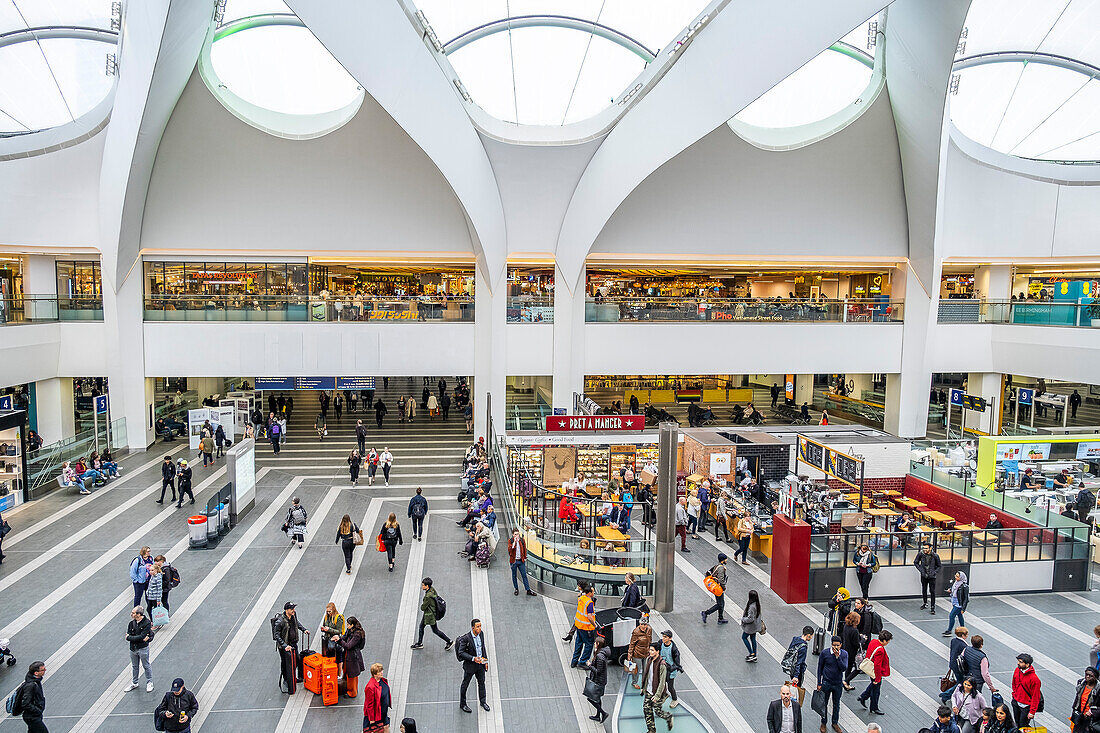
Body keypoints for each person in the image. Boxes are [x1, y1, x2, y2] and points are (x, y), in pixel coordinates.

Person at [456, 618, 491, 713]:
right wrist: (473, 658)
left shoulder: (481, 634)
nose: (479, 628)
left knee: (482, 683)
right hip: (470, 666)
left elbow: (483, 647)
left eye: (480, 626)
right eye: (477, 627)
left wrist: (485, 661)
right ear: (473, 628)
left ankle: (483, 701)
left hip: (480, 665)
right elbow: (461, 653)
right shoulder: (466, 638)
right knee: (465, 684)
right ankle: (463, 704)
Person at [639, 643, 674, 732]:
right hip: (649, 691)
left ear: (657, 651)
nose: (650, 652)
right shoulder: (649, 659)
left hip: (658, 692)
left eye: (652, 650)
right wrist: (643, 687)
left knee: (657, 712)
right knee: (646, 710)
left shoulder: (662, 664)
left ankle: (668, 716)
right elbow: (647, 675)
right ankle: (651, 730)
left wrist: (657, 696)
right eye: (650, 650)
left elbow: (662, 682)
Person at [411, 577, 453, 650]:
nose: (422, 586)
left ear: (427, 586)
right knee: (421, 627)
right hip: (430, 613)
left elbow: (423, 608)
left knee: (435, 630)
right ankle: (419, 643)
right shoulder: (432, 589)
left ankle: (449, 641)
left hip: (430, 615)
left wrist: (422, 606)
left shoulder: (427, 597)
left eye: (423, 585)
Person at [273, 602, 307, 693]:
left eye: (293, 609)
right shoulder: (280, 621)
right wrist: (284, 645)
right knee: (285, 663)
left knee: (297, 659)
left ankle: (292, 677)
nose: (293, 610)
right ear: (286, 610)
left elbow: (297, 623)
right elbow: (277, 635)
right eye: (291, 609)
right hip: (285, 647)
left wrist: (303, 629)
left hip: (293, 643)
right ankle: (286, 680)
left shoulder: (293, 615)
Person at [816, 636, 847, 733]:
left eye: (837, 645)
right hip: (826, 682)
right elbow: (820, 668)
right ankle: (823, 722)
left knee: (836, 704)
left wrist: (838, 658)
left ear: (841, 645)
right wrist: (819, 682)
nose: (835, 647)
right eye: (834, 645)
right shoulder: (825, 653)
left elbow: (843, 668)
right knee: (824, 703)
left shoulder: (844, 654)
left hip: (837, 684)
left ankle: (835, 722)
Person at [857, 630, 891, 715]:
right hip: (875, 671)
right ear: (884, 641)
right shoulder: (880, 650)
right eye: (888, 641)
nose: (888, 642)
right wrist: (878, 678)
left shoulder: (873, 642)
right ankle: (874, 707)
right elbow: (877, 665)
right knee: (876, 690)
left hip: (869, 667)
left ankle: (863, 697)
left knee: (873, 685)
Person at [334, 616, 366, 698]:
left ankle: (352, 692)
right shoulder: (350, 630)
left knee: (352, 675)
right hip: (348, 655)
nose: (347, 626)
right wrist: (339, 638)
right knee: (348, 673)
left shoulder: (357, 634)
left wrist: (339, 641)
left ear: (352, 625)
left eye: (348, 625)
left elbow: (349, 645)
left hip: (353, 657)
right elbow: (344, 637)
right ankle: (349, 689)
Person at [125, 606, 154, 693]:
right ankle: (134, 683)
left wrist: (130, 638)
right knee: (134, 666)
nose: (131, 614)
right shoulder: (131, 623)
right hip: (133, 649)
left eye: (133, 613)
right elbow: (138, 636)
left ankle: (150, 682)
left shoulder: (147, 623)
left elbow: (139, 636)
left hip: (142, 648)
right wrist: (135, 638)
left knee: (146, 665)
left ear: (139, 614)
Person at [583, 635, 611, 722]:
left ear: (598, 644)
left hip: (598, 681)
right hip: (600, 680)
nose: (594, 644)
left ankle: (603, 713)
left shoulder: (600, 656)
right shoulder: (601, 653)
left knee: (591, 698)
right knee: (597, 698)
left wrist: (589, 665)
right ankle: (598, 715)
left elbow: (598, 671)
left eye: (595, 643)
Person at [783, 627, 813, 706]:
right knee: (797, 689)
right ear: (809, 635)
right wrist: (796, 676)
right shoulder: (803, 647)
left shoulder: (795, 640)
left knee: (793, 688)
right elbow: (799, 662)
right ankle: (794, 706)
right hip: (797, 672)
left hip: (791, 668)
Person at [1010, 653, 1041, 728]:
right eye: (1018, 661)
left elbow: (1036, 697)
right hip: (1016, 702)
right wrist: (1015, 694)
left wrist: (1032, 712)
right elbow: (1014, 683)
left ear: (1027, 664)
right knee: (1017, 723)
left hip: (1026, 706)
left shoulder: (1035, 679)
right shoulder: (1017, 670)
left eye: (1021, 662)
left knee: (1023, 725)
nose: (1018, 663)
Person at [15, 661, 47, 733]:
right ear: (36, 673)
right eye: (43, 670)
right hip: (32, 717)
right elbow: (25, 703)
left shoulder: (36, 681)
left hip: (34, 715)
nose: (45, 671)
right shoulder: (31, 685)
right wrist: (37, 710)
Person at [571, 586, 597, 668]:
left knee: (578, 643)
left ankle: (574, 661)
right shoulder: (589, 603)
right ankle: (582, 662)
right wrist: (595, 625)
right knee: (589, 644)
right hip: (587, 628)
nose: (594, 593)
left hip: (579, 625)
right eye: (593, 592)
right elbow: (589, 616)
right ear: (589, 593)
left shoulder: (581, 598)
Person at [701, 553, 729, 624]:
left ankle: (720, 618)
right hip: (718, 588)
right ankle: (706, 613)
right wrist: (724, 588)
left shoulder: (717, 566)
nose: (727, 560)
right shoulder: (721, 568)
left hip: (715, 587)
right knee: (720, 604)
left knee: (722, 603)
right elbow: (721, 580)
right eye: (726, 559)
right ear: (723, 560)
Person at [363, 663, 392, 733]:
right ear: (374, 674)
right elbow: (369, 704)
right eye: (379, 671)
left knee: (386, 726)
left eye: (382, 670)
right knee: (377, 729)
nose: (382, 672)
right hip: (377, 713)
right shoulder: (370, 687)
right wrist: (371, 719)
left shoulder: (382, 680)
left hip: (383, 710)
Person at [657, 630, 683, 707]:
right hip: (662, 668)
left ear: (670, 638)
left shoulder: (674, 650)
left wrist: (671, 668)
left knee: (670, 687)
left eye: (665, 637)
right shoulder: (660, 643)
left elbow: (677, 664)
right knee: (660, 684)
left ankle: (675, 700)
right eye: (663, 636)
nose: (663, 638)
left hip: (670, 671)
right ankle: (663, 696)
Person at [507, 529, 536, 596]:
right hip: (514, 561)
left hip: (521, 561)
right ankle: (516, 589)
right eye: (515, 534)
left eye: (517, 534)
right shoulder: (510, 541)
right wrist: (514, 542)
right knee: (514, 575)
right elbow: (509, 550)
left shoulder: (522, 540)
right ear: (513, 535)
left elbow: (524, 549)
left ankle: (528, 589)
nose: (517, 535)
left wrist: (525, 557)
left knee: (524, 575)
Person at [915, 542, 941, 614]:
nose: (924, 549)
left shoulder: (935, 556)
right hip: (924, 575)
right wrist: (921, 570)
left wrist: (934, 572)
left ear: (930, 548)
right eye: (923, 548)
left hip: (932, 576)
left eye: (926, 548)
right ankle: (925, 603)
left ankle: (933, 607)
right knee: (924, 589)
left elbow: (939, 565)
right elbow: (916, 562)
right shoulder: (921, 554)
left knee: (932, 591)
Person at [627, 614, 653, 688]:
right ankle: (634, 682)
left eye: (645, 624)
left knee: (646, 669)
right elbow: (632, 644)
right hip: (637, 654)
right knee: (636, 670)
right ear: (639, 624)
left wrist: (651, 650)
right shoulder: (636, 632)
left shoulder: (649, 629)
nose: (644, 626)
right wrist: (629, 655)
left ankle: (645, 682)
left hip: (646, 653)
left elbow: (650, 641)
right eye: (642, 624)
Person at [1071, 666, 1099, 733]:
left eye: (1091, 676)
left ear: (1095, 678)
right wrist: (1074, 710)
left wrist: (1092, 712)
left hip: (1090, 719)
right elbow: (1078, 698)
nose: (1087, 677)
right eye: (1086, 674)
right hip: (1079, 716)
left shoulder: (1098, 689)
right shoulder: (1081, 683)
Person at [320, 602, 346, 675]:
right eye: (327, 611)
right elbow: (324, 625)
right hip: (328, 640)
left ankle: (339, 674)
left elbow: (339, 631)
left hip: (336, 641)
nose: (328, 613)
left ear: (333, 610)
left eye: (329, 611)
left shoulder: (338, 618)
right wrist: (323, 629)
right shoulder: (326, 617)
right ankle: (331, 673)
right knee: (329, 657)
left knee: (339, 658)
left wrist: (329, 630)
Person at [840, 611, 862, 690]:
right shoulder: (854, 630)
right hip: (853, 651)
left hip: (846, 649)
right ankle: (846, 681)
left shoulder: (846, 626)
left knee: (848, 667)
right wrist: (862, 640)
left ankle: (847, 684)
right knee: (858, 668)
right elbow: (856, 643)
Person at [943, 571, 969, 637]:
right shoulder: (956, 583)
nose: (956, 577)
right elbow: (954, 589)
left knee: (952, 615)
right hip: (954, 601)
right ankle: (963, 630)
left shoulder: (964, 586)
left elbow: (966, 598)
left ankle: (949, 630)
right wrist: (950, 590)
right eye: (956, 575)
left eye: (957, 576)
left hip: (959, 604)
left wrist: (963, 608)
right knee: (960, 616)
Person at [741, 590, 763, 663]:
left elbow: (750, 618)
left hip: (750, 627)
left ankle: (752, 654)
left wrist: (743, 619)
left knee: (744, 637)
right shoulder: (757, 604)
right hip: (755, 626)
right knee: (753, 638)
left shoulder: (751, 607)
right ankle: (754, 655)